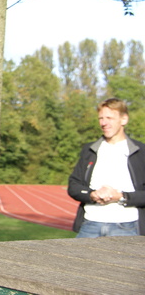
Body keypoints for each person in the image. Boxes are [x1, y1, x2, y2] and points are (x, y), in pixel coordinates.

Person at [68, 98, 145, 238]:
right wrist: (92, 194)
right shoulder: (89, 150)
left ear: (124, 119)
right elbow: (73, 186)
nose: (104, 123)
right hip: (90, 224)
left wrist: (122, 197)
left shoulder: (140, 152)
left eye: (109, 118)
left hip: (127, 227)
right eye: (101, 118)